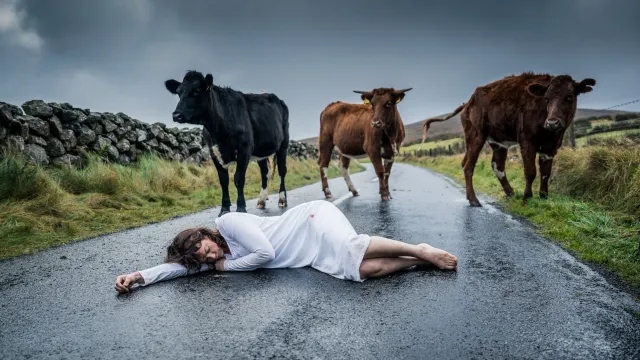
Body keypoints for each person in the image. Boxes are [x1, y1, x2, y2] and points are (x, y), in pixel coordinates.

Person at [114, 200, 457, 293]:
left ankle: (418, 249)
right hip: (307, 255)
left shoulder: (229, 223)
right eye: (203, 258)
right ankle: (417, 262)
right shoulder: (201, 258)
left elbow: (265, 253)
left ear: (206, 236)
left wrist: (226, 267)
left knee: (352, 247)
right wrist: (138, 276)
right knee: (361, 272)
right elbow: (175, 270)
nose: (211, 256)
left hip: (310, 219)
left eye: (207, 249)